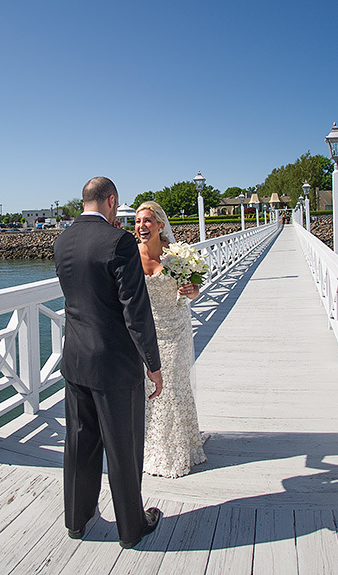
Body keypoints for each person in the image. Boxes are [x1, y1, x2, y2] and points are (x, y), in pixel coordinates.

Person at [53, 177, 163, 549]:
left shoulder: (62, 241)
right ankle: (132, 528)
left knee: (80, 442)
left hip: (75, 360)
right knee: (123, 447)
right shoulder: (118, 242)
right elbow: (135, 310)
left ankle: (77, 520)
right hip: (115, 364)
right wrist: (153, 361)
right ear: (111, 201)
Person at [134, 201, 207, 477]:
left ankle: (178, 451)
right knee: (149, 390)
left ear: (161, 225)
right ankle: (152, 447)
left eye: (148, 220)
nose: (142, 226)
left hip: (175, 330)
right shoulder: (131, 255)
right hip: (146, 333)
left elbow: (194, 290)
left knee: (173, 385)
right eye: (139, 221)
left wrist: (191, 291)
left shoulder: (176, 255)